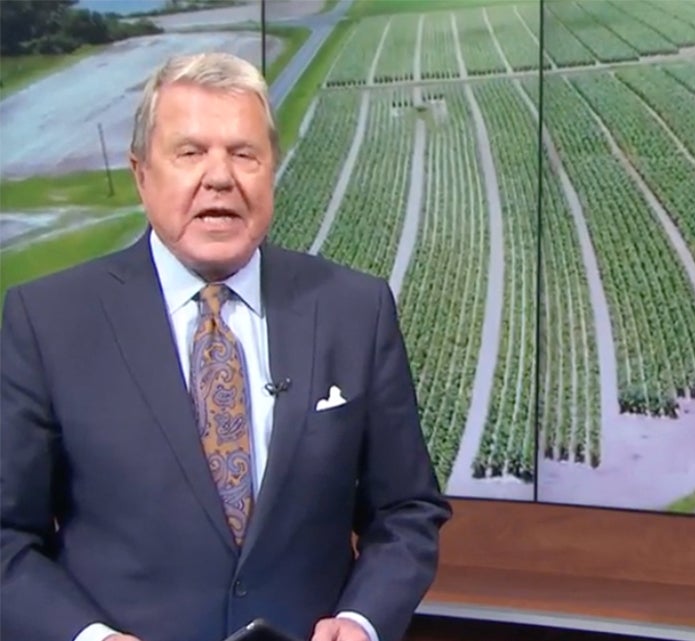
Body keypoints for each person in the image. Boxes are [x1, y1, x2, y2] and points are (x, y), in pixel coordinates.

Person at [0, 52, 452, 641]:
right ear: (141, 174)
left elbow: (407, 512)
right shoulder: (50, 321)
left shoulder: (353, 310)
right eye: (189, 153)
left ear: (271, 172)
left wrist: (361, 623)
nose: (220, 177)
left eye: (244, 154)